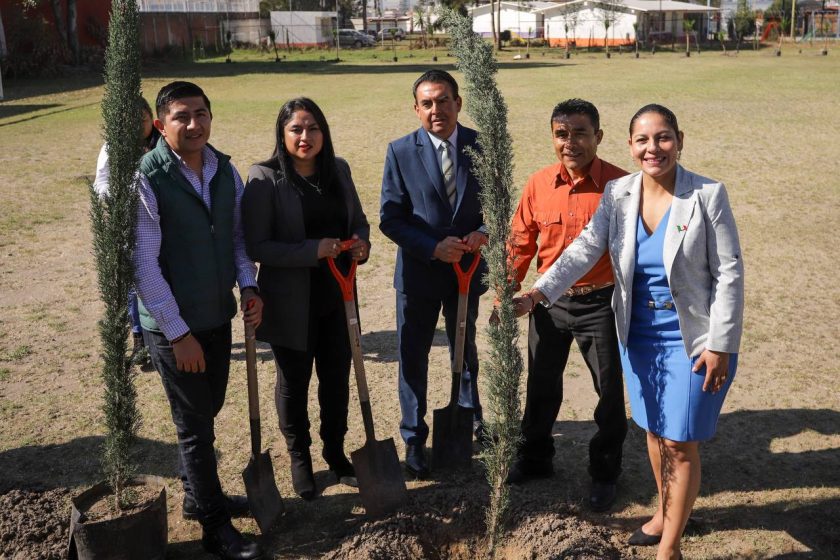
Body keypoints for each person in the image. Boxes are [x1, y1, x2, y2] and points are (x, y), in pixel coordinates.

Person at [514, 104, 744, 560]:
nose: (652, 148)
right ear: (630, 146)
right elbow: (584, 249)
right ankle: (663, 514)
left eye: (663, 138)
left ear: (680, 140)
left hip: (693, 339)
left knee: (679, 442)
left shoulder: (706, 195)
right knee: (655, 432)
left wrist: (720, 344)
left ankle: (670, 548)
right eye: (642, 140)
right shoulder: (619, 193)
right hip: (639, 335)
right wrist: (538, 294)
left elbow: (729, 273)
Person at [134, 81, 264, 560]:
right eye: (181, 116)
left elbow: (237, 239)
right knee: (194, 427)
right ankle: (214, 525)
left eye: (201, 114)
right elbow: (144, 265)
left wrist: (248, 286)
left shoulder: (224, 170)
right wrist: (178, 334)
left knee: (207, 411)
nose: (194, 125)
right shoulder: (147, 178)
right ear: (160, 123)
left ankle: (196, 497)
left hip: (216, 316)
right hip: (175, 328)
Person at [242, 97, 370, 501]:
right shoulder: (264, 177)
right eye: (296, 129)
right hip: (290, 302)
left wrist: (362, 244)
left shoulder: (339, 170)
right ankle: (300, 457)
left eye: (313, 128)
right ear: (282, 133)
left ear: (323, 132)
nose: (305, 136)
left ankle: (335, 451)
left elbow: (358, 221)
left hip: (338, 296)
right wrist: (312, 250)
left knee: (336, 378)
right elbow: (257, 245)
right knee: (293, 382)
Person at [504, 99, 629, 512]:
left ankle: (605, 473)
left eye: (580, 133)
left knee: (609, 391)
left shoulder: (621, 186)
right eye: (561, 134)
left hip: (601, 304)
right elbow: (520, 242)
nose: (570, 142)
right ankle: (535, 458)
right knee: (540, 387)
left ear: (599, 136)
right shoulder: (538, 184)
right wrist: (506, 292)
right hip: (548, 303)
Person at [379, 69, 488, 478]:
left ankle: (470, 418)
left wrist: (483, 232)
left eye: (443, 100)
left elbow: (497, 202)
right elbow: (391, 218)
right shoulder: (400, 151)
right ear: (416, 109)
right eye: (427, 103)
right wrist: (432, 247)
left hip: (466, 271)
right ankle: (414, 437)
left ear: (458, 103)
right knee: (413, 356)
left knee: (465, 348)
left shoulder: (481, 146)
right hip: (419, 274)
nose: (436, 109)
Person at [93, 97, 160, 365]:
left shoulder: (163, 142)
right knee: (133, 282)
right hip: (129, 222)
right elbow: (101, 182)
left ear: (152, 118)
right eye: (129, 121)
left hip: (161, 221)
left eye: (142, 120)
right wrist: (118, 196)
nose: (137, 126)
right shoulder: (113, 145)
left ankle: (162, 332)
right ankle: (139, 338)